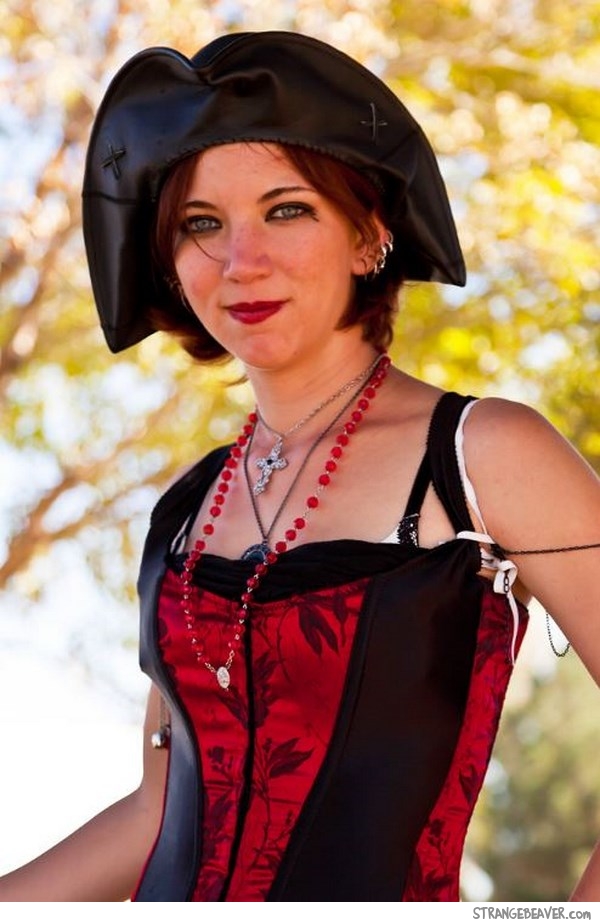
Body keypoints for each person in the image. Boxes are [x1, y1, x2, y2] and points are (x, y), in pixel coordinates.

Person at [1, 29, 599, 903]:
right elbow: (157, 812)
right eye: (203, 224)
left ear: (368, 237)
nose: (242, 262)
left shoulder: (485, 454)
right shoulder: (187, 509)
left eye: (286, 210)